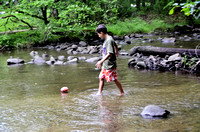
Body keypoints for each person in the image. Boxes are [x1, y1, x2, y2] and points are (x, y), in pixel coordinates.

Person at [95, 24, 125, 96]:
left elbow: (109, 53)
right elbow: (115, 44)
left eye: (98, 34)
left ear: (101, 33)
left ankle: (122, 93)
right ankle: (99, 93)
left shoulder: (109, 40)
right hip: (105, 64)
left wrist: (100, 61)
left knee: (114, 79)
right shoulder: (109, 38)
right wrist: (117, 51)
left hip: (110, 64)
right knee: (101, 77)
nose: (98, 36)